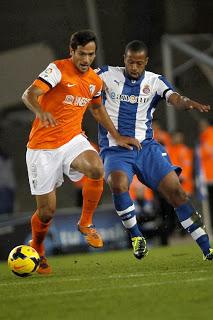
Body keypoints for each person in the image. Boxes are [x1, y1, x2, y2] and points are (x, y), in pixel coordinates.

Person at [22, 30, 140, 274]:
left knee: (97, 167)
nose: (87, 59)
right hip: (42, 147)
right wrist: (39, 111)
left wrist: (116, 136)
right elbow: (30, 94)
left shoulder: (95, 82)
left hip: (72, 140)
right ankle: (38, 247)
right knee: (46, 213)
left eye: (91, 54)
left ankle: (86, 222)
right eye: (82, 54)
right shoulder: (57, 69)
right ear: (72, 52)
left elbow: (97, 110)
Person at [96, 40, 213, 261]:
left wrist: (186, 102)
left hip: (146, 148)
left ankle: (207, 248)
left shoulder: (154, 81)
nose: (134, 67)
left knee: (176, 192)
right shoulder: (105, 74)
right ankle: (136, 236)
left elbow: (173, 97)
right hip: (115, 149)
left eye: (139, 63)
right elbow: (80, 79)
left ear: (146, 62)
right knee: (118, 184)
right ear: (124, 59)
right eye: (130, 62)